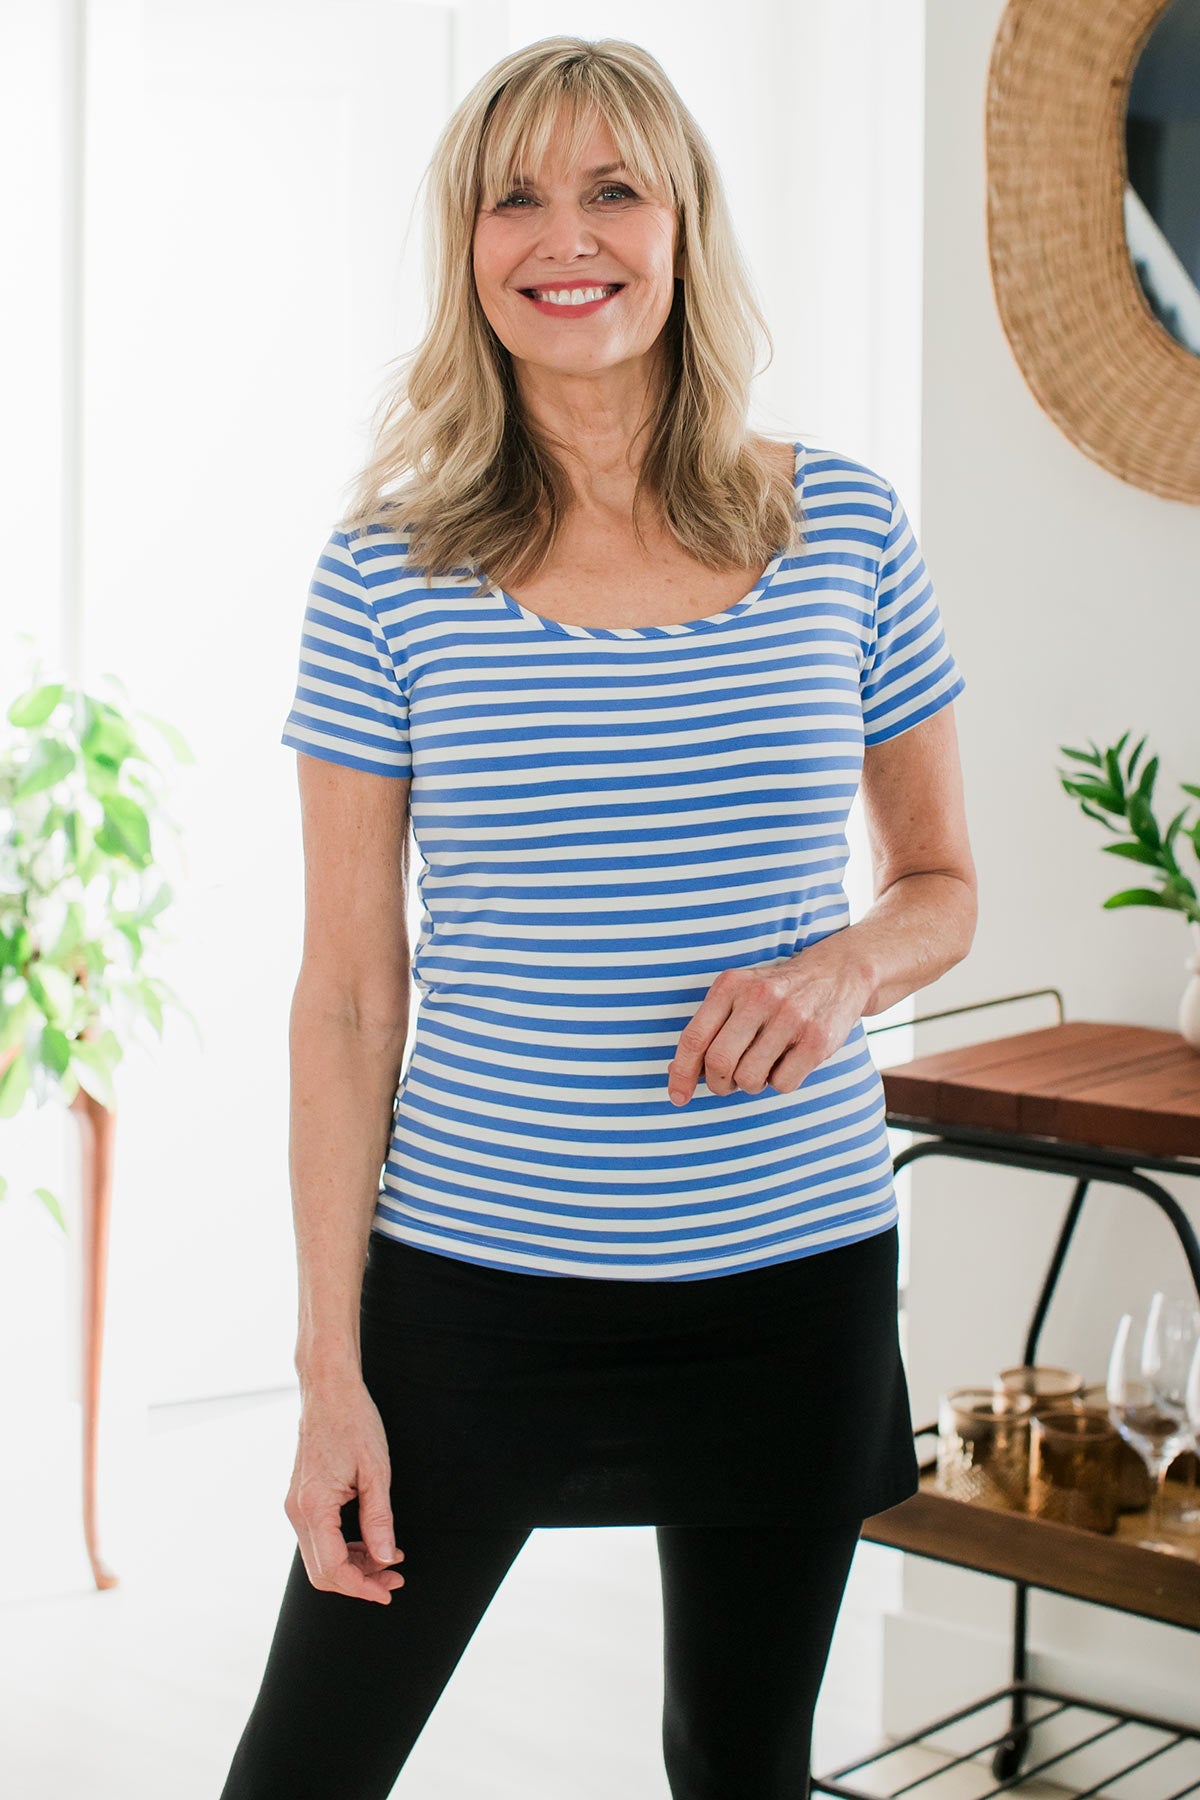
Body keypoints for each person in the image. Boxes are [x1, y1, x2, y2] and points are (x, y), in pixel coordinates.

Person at [219, 33, 976, 1800]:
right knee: (302, 1772)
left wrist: (844, 966)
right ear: (469, 248)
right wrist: (332, 1370)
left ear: (687, 225)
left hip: (789, 1281)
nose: (570, 237)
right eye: (518, 195)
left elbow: (942, 885)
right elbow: (343, 994)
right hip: (472, 1298)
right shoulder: (389, 572)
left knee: (741, 1767)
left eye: (616, 187)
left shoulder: (841, 523)